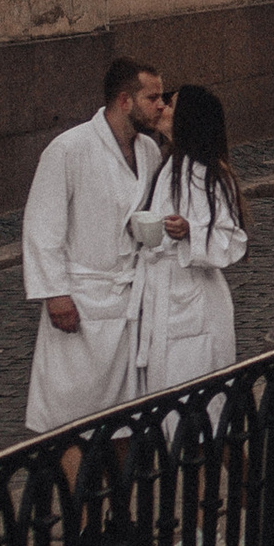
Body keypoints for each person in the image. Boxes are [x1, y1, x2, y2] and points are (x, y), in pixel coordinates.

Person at [23, 57, 166, 434]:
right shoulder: (68, 149)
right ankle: (78, 491)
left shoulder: (149, 152)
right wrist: (55, 293)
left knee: (122, 417)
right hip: (80, 300)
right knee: (68, 412)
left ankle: (112, 493)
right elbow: (42, 226)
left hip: (126, 301)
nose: (161, 106)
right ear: (124, 100)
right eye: (152, 98)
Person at [132, 84, 249, 400]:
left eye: (169, 104)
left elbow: (232, 239)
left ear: (188, 118)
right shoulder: (168, 164)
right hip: (163, 297)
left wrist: (191, 233)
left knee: (199, 410)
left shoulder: (207, 174)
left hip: (193, 303)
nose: (162, 108)